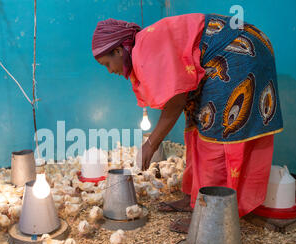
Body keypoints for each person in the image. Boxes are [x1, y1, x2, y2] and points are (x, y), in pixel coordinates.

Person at [92, 14, 283, 231]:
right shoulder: (145, 47)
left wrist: (151, 144)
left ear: (118, 51)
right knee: (195, 124)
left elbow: (175, 102)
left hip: (239, 53)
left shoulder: (145, 51)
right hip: (224, 52)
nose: (110, 70)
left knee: (215, 137)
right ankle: (193, 198)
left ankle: (208, 215)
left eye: (107, 63)